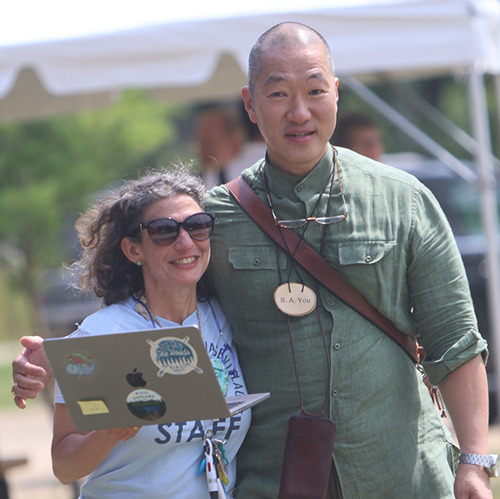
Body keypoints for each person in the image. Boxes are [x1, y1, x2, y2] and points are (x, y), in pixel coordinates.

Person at [12, 22, 493, 499]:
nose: (299, 111)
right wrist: (57, 363)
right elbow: (155, 309)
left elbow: (456, 338)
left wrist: (474, 458)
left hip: (401, 474)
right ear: (251, 105)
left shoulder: (404, 200)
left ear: (337, 94)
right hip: (275, 482)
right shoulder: (215, 219)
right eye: (279, 94)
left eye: (315, 90)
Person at [19, 167, 251, 498]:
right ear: (133, 250)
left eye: (198, 226)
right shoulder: (103, 335)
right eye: (163, 231)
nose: (185, 242)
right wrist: (108, 434)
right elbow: (64, 466)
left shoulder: (227, 318)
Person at [194, 104, 246, 189]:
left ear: (233, 143)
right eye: (200, 143)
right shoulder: (195, 185)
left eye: (210, 143)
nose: (203, 150)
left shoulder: (253, 179)